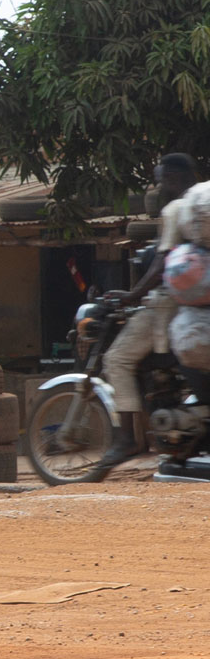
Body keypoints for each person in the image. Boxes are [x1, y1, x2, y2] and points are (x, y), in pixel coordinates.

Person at [101, 153, 199, 467]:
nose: (159, 187)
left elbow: (162, 263)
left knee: (116, 358)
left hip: (168, 304)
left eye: (161, 179)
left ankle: (127, 440)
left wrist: (132, 294)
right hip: (195, 305)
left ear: (173, 177)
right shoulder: (202, 207)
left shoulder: (177, 210)